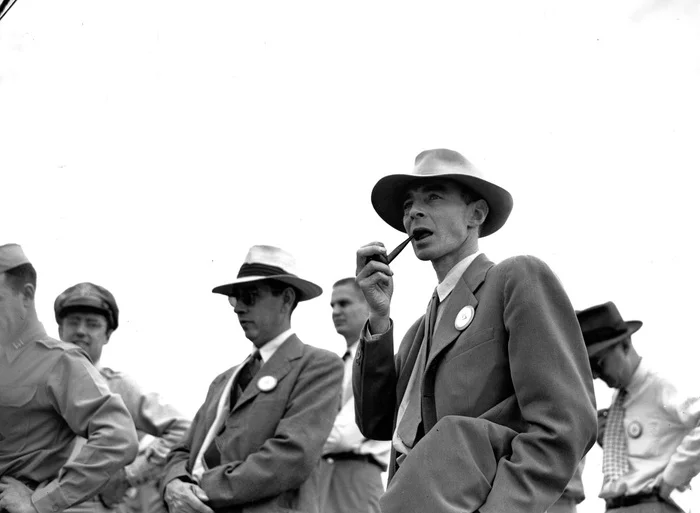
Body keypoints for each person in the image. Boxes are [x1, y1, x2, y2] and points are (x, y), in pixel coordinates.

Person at [353, 149, 597, 513]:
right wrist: (378, 316)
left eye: (433, 197)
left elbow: (564, 424)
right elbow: (375, 422)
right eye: (408, 204)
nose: (413, 213)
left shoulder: (515, 278)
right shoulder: (419, 330)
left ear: (476, 214)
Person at [161, 245, 344, 513]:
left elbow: (292, 457)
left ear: (286, 299)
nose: (239, 309)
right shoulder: (223, 381)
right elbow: (182, 449)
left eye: (250, 296)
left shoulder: (318, 365)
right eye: (235, 299)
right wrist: (174, 482)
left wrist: (199, 489)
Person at [0, 244, 138, 513]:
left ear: (26, 296)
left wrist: (40, 502)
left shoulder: (59, 361)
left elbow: (117, 437)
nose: (82, 331)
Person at [53, 282, 190, 513]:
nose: (81, 331)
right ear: (60, 330)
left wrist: (129, 475)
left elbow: (184, 430)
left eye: (93, 324)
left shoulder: (118, 387)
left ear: (107, 335)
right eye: (73, 321)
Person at [578, 301, 700, 512]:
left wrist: (672, 477)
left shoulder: (659, 384)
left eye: (599, 363)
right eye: (591, 369)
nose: (597, 375)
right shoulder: (620, 398)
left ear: (625, 345)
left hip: (649, 503)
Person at [317, 278, 390, 513]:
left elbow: (344, 435)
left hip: (357, 475)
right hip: (325, 475)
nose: (336, 311)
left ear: (368, 305)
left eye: (344, 303)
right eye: (332, 306)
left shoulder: (377, 365)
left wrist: (299, 445)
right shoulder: (336, 366)